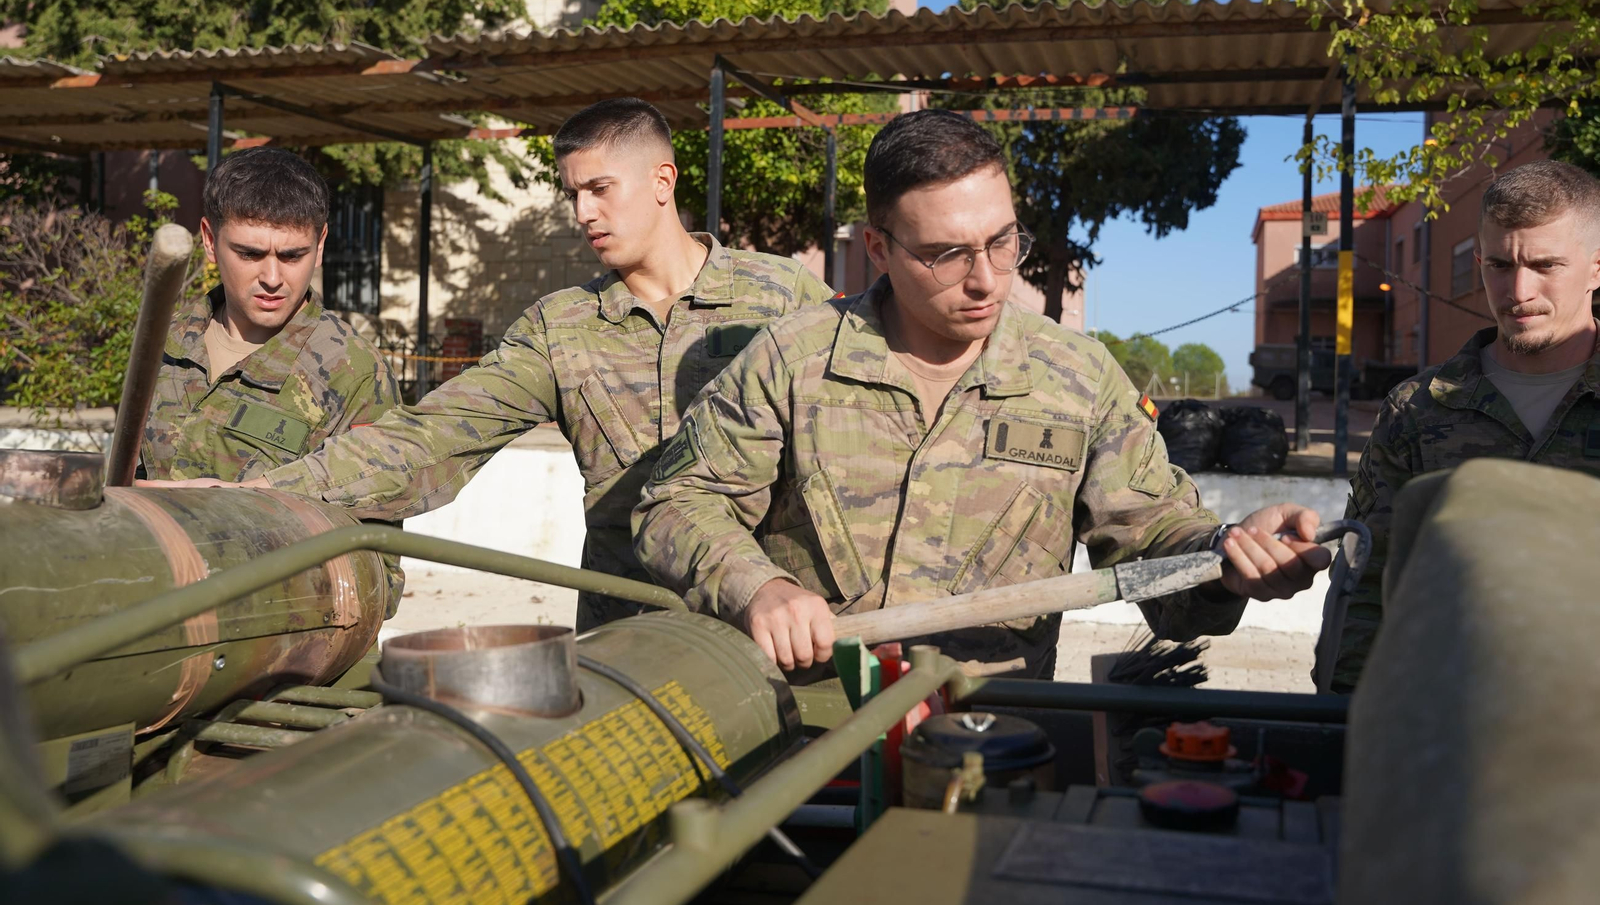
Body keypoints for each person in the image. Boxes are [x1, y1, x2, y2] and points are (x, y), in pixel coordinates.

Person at [632, 109, 1332, 676]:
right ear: (878, 249)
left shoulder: (1077, 379)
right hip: (810, 741)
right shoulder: (794, 359)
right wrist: (759, 587)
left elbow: (1153, 544)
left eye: (1003, 242)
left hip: (996, 749)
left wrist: (1227, 559)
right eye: (946, 255)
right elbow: (678, 503)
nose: (988, 278)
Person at [143, 98, 834, 629]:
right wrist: (270, 489)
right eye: (572, 194)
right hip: (628, 631)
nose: (583, 213)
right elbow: (430, 439)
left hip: (773, 620)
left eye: (600, 189)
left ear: (662, 180)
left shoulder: (784, 299)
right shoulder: (559, 330)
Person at [1324, 160, 1600, 693]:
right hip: (1448, 725)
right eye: (1498, 265)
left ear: (1596, 268)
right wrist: (1346, 725)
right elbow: (1368, 580)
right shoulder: (1419, 410)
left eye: (1545, 265)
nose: (1518, 290)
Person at [139, 147, 404, 612]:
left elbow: (377, 569)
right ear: (209, 238)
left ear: (320, 245)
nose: (272, 277)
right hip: (154, 625)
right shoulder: (162, 345)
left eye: (293, 255)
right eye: (249, 253)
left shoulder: (353, 372)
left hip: (277, 642)